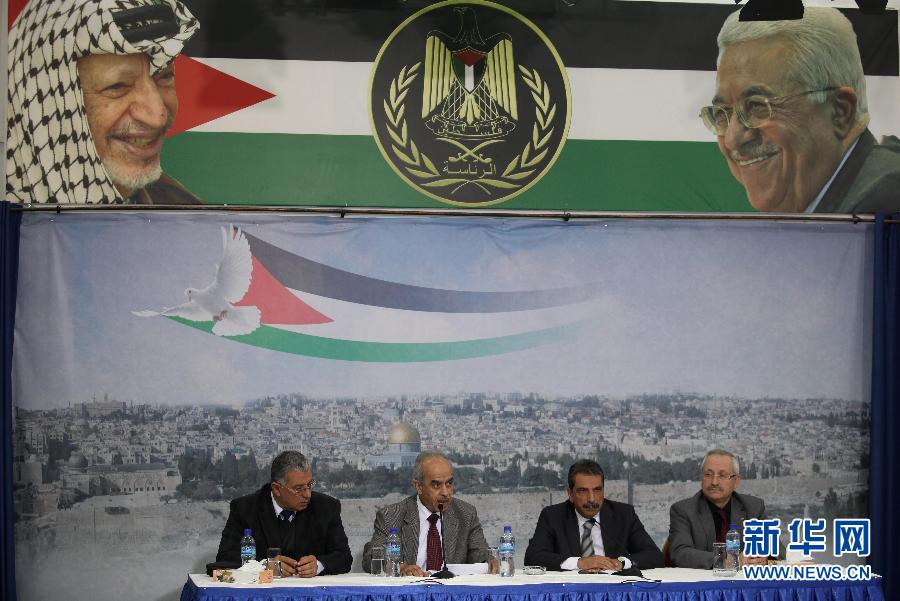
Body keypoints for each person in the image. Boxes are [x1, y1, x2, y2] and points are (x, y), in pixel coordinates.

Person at [701, 7, 900, 213]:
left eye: (757, 106)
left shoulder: (884, 201)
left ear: (840, 112)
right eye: (722, 113)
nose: (732, 139)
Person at [6, 0, 204, 205]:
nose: (157, 117)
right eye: (118, 86)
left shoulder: (186, 211)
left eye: (164, 78)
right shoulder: (13, 220)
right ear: (45, 102)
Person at [215, 451, 352, 576]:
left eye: (309, 485)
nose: (307, 494)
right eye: (298, 489)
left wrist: (318, 565)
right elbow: (225, 558)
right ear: (276, 489)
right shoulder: (245, 509)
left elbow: (344, 557)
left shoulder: (326, 507)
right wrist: (264, 566)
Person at [362, 451, 492, 576]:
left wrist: (491, 561)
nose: (445, 493)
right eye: (436, 485)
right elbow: (371, 557)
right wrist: (399, 567)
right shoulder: (391, 516)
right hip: (410, 589)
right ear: (419, 486)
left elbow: (480, 554)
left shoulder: (466, 514)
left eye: (449, 484)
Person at [524, 459, 663, 571]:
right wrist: (579, 563)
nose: (591, 499)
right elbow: (533, 557)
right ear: (570, 494)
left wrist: (621, 563)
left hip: (614, 590)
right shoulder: (552, 516)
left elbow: (654, 555)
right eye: (583, 491)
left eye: (597, 490)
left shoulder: (624, 515)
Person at [668, 449, 783, 568]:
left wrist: (764, 560)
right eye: (708, 474)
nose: (714, 482)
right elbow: (680, 553)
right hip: (702, 579)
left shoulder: (753, 508)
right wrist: (728, 561)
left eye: (722, 475)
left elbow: (778, 553)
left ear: (736, 481)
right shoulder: (683, 510)